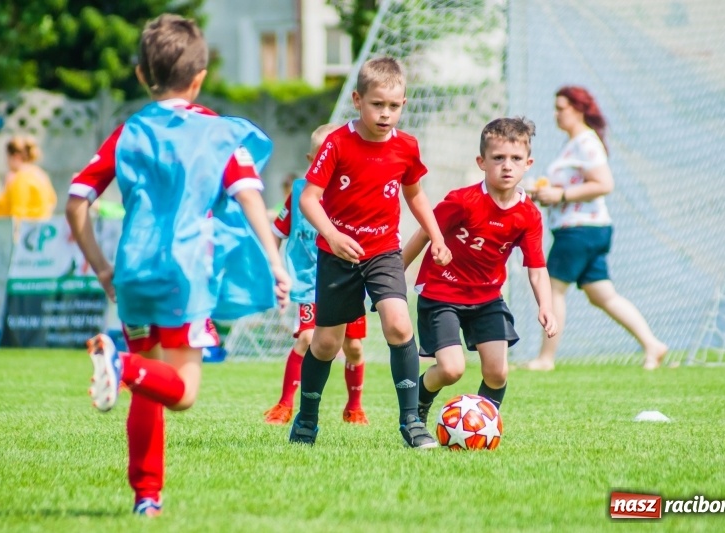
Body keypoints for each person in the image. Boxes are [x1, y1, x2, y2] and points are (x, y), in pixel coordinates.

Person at [65, 14, 290, 516]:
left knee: (149, 380)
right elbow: (251, 198)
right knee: (182, 392)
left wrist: (101, 269)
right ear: (199, 78)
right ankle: (119, 364)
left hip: (133, 271)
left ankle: (147, 498)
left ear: (143, 76)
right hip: (184, 273)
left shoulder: (127, 133)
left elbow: (76, 201)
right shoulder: (216, 133)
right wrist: (276, 262)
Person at [288, 56, 452, 449]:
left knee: (398, 325)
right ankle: (306, 420)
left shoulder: (407, 147)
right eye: (377, 104)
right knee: (326, 343)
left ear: (404, 105)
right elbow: (309, 198)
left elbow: (415, 194)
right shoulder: (337, 142)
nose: (385, 113)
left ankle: (411, 423)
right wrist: (332, 234)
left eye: (393, 106)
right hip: (337, 254)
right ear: (358, 100)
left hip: (383, 252)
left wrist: (437, 236)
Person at [402, 117, 558, 422]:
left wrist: (546, 306)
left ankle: (481, 425)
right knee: (451, 369)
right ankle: (417, 406)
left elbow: (537, 267)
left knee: (498, 372)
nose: (507, 166)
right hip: (441, 293)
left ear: (528, 163)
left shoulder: (528, 214)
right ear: (481, 162)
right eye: (498, 158)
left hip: (487, 298)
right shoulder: (463, 201)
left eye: (515, 159)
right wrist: (396, 273)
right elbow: (424, 232)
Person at [525, 86, 668, 371]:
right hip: (592, 230)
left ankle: (545, 358)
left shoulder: (585, 142)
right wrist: (548, 191)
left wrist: (561, 195)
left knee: (553, 290)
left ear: (578, 109)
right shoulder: (575, 143)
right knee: (602, 294)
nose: (556, 114)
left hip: (579, 230)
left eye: (561, 108)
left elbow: (604, 184)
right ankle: (653, 344)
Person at [264, 123, 368, 426]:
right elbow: (277, 231)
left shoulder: (355, 192)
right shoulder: (299, 194)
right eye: (321, 154)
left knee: (353, 347)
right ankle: (284, 405)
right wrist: (277, 265)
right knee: (308, 338)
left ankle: (354, 407)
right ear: (312, 159)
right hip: (310, 283)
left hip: (348, 281)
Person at [0, 136, 57, 219]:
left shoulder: (21, 179)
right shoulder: (40, 174)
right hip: (39, 228)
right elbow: (52, 202)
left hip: (22, 230)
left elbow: (18, 213)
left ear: (16, 156)